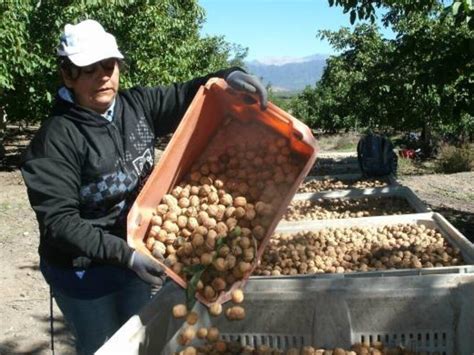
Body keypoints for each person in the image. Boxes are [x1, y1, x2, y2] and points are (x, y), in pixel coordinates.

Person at [21, 19, 267, 355]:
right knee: (102, 345)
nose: (103, 75)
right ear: (68, 75)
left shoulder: (136, 107)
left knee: (139, 339)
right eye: (88, 68)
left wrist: (229, 77)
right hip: (83, 272)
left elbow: (188, 94)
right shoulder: (56, 140)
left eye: (109, 65)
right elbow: (60, 222)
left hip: (137, 255)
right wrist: (127, 256)